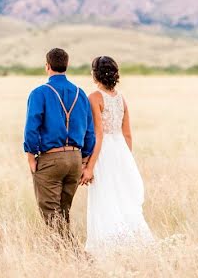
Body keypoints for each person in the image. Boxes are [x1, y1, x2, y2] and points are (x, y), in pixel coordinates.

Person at [82, 56, 154, 253]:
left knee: (104, 196)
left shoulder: (94, 97)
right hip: (121, 151)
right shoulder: (121, 98)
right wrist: (126, 159)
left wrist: (89, 165)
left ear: (95, 74)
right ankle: (131, 245)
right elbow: (128, 134)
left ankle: (107, 248)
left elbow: (98, 134)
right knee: (122, 196)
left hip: (103, 153)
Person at [23, 48, 95, 242]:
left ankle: (74, 255)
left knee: (50, 213)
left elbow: (32, 127)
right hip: (75, 159)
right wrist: (85, 160)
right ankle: (65, 257)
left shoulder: (39, 93)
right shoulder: (80, 94)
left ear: (47, 66)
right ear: (66, 65)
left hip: (51, 158)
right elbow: (90, 131)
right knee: (63, 212)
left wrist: (30, 156)